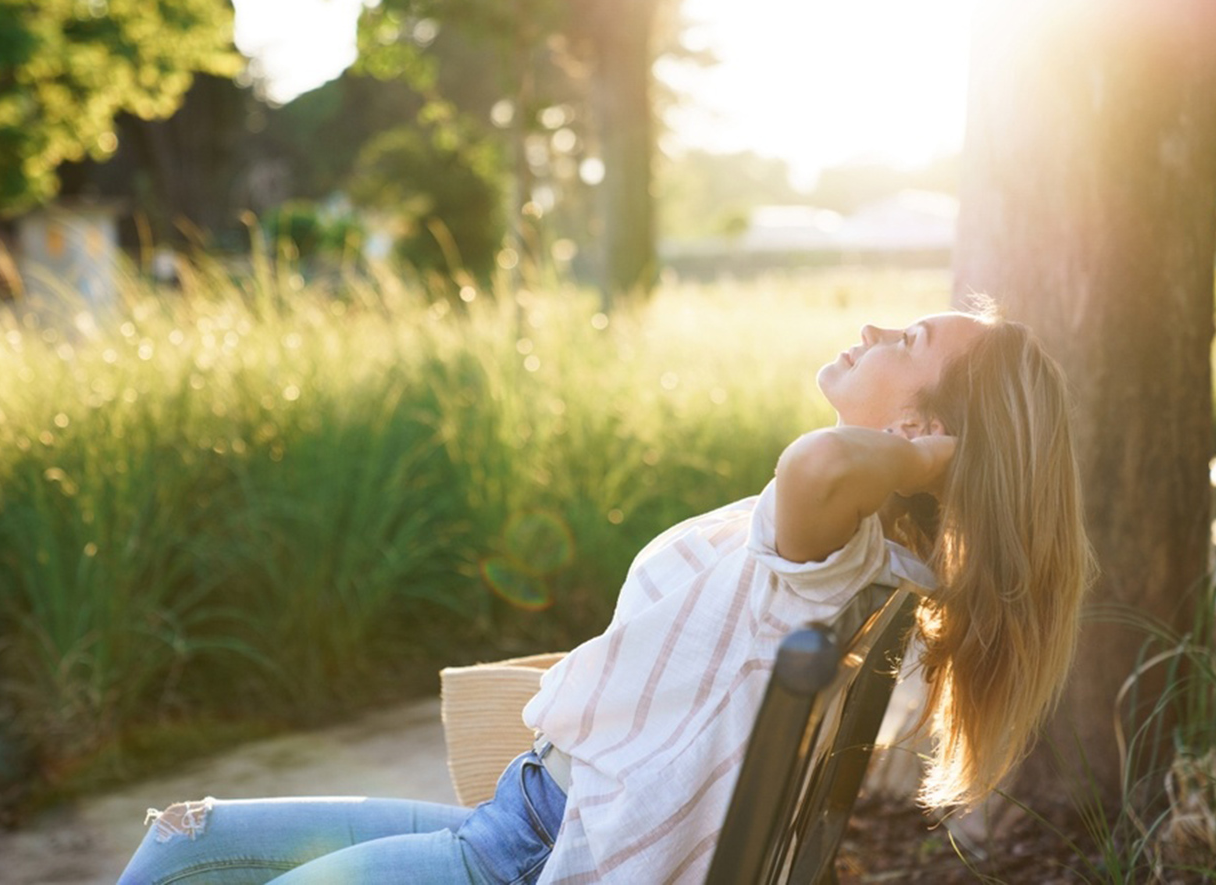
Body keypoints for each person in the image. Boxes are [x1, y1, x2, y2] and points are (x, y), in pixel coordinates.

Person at [118, 305, 1093, 884]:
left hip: (532, 856)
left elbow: (825, 461)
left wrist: (934, 460)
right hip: (520, 816)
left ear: (921, 426)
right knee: (179, 846)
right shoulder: (853, 556)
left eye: (909, 335)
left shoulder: (832, 553)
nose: (877, 323)